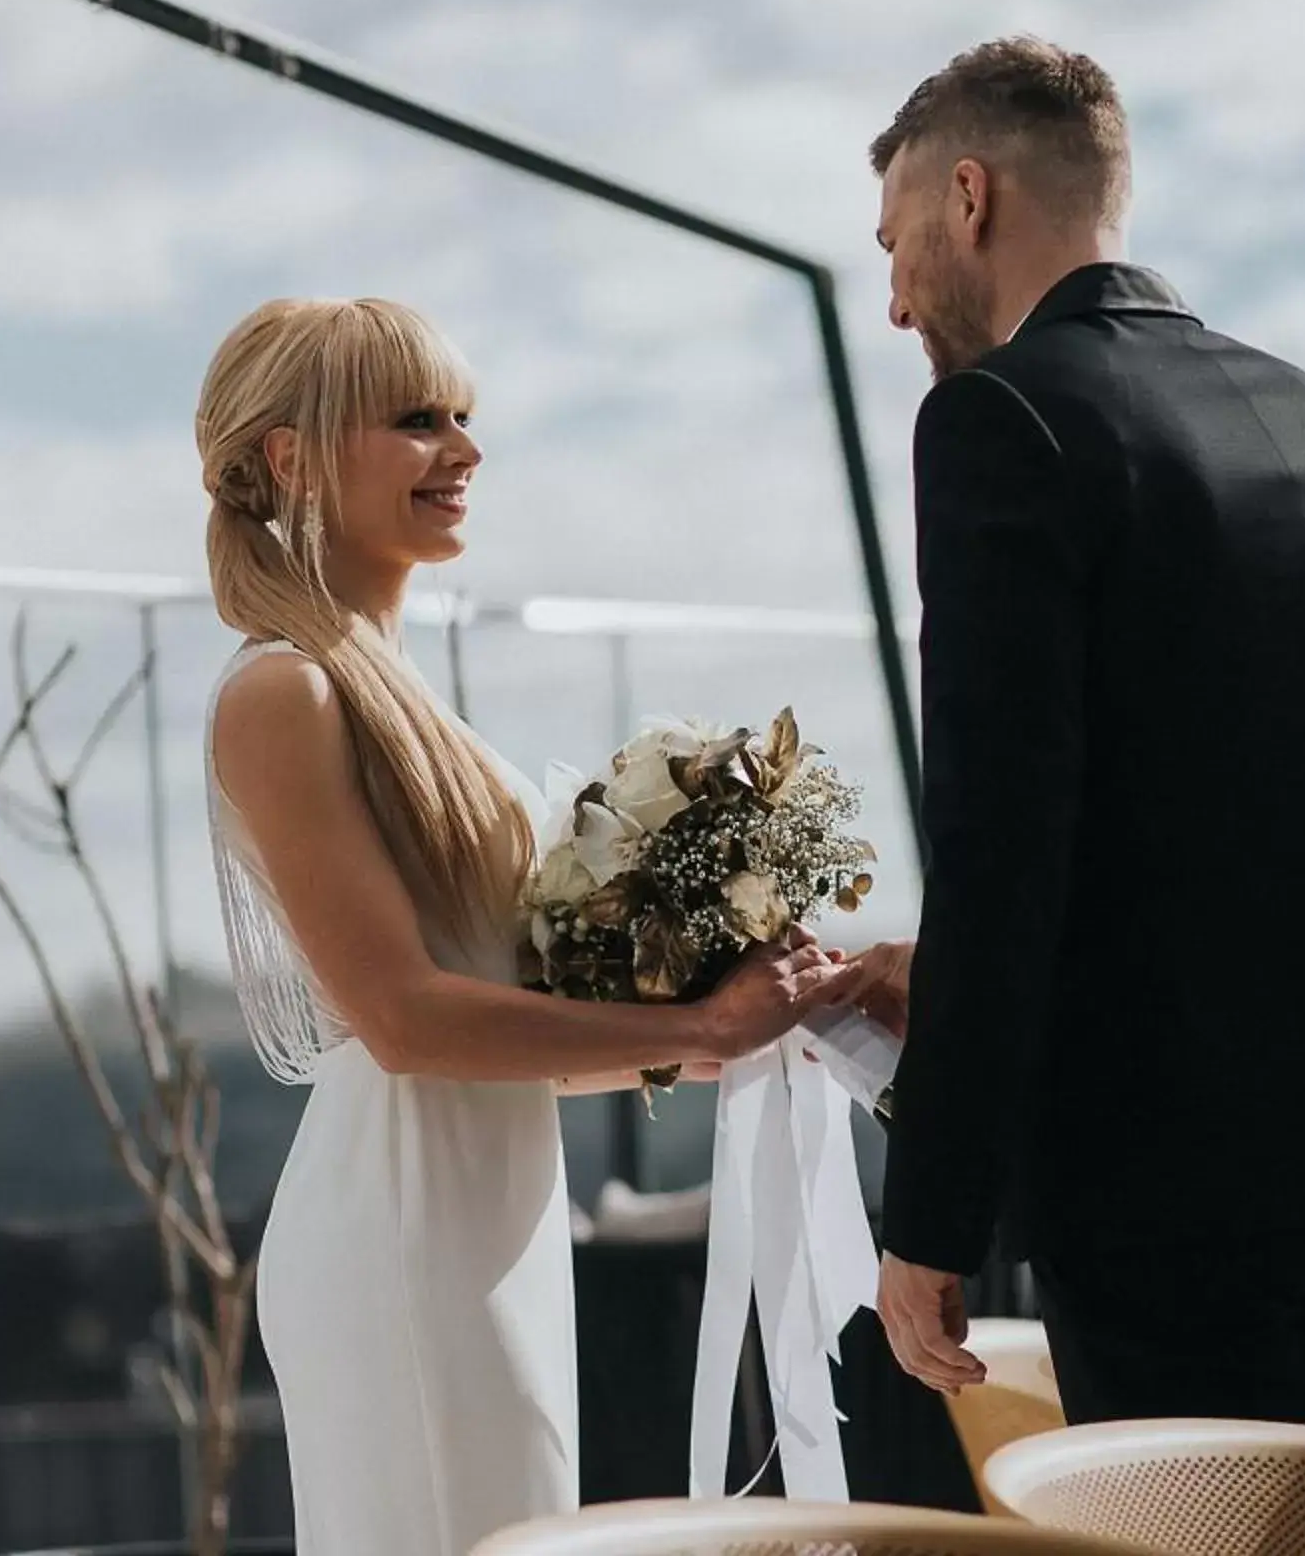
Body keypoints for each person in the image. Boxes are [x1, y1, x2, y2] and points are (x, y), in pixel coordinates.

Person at [821, 38, 1305, 1435]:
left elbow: (1005, 850)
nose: (890, 301)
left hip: (1172, 1176)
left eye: (893, 243)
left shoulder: (998, 420)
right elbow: (1227, 800)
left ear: (971, 200)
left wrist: (931, 1217)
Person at [196, 296, 836, 1556]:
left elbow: (492, 999)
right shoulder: (287, 691)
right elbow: (404, 1017)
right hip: (406, 1218)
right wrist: (697, 1016)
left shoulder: (388, 686)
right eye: (417, 419)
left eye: (466, 417)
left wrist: (688, 1036)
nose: (465, 449)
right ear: (290, 458)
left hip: (492, 1203)